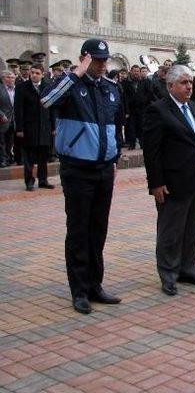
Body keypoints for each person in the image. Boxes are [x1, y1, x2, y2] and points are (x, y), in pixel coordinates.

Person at [40, 38, 123, 314]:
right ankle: (79, 291)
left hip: (103, 170)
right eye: (96, 60)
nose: (101, 65)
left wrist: (113, 158)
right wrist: (75, 74)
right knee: (79, 230)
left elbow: (115, 126)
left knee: (98, 230)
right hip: (77, 170)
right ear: (84, 58)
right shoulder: (69, 85)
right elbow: (48, 100)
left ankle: (95, 285)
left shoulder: (110, 88)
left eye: (104, 60)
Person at [142, 65, 195, 296]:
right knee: (170, 232)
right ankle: (169, 275)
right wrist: (156, 183)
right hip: (172, 183)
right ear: (170, 86)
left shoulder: (194, 107)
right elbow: (152, 152)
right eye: (183, 82)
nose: (189, 86)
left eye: (190, 82)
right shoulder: (158, 110)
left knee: (193, 229)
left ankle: (188, 269)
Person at [14, 65, 55, 190]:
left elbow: (52, 108)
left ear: (42, 74)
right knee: (29, 157)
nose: (34, 75)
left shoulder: (48, 86)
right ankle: (29, 181)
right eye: (32, 73)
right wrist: (20, 128)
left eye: (37, 73)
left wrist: (53, 126)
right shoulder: (22, 88)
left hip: (44, 127)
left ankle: (43, 180)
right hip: (29, 128)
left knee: (43, 157)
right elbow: (18, 109)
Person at [121, 64, 148, 150]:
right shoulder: (126, 82)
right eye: (135, 71)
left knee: (142, 127)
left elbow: (149, 93)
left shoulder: (145, 82)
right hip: (131, 109)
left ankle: (142, 144)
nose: (136, 73)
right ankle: (132, 144)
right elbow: (124, 95)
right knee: (131, 128)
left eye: (138, 71)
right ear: (131, 72)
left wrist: (144, 101)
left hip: (142, 109)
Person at [0, 70, 16, 167]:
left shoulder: (16, 89)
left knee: (10, 141)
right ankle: (3, 160)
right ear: (3, 79)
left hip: (13, 120)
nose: (10, 79)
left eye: (12, 77)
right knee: (1, 142)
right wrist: (1, 114)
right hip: (2, 120)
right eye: (8, 77)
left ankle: (8, 158)